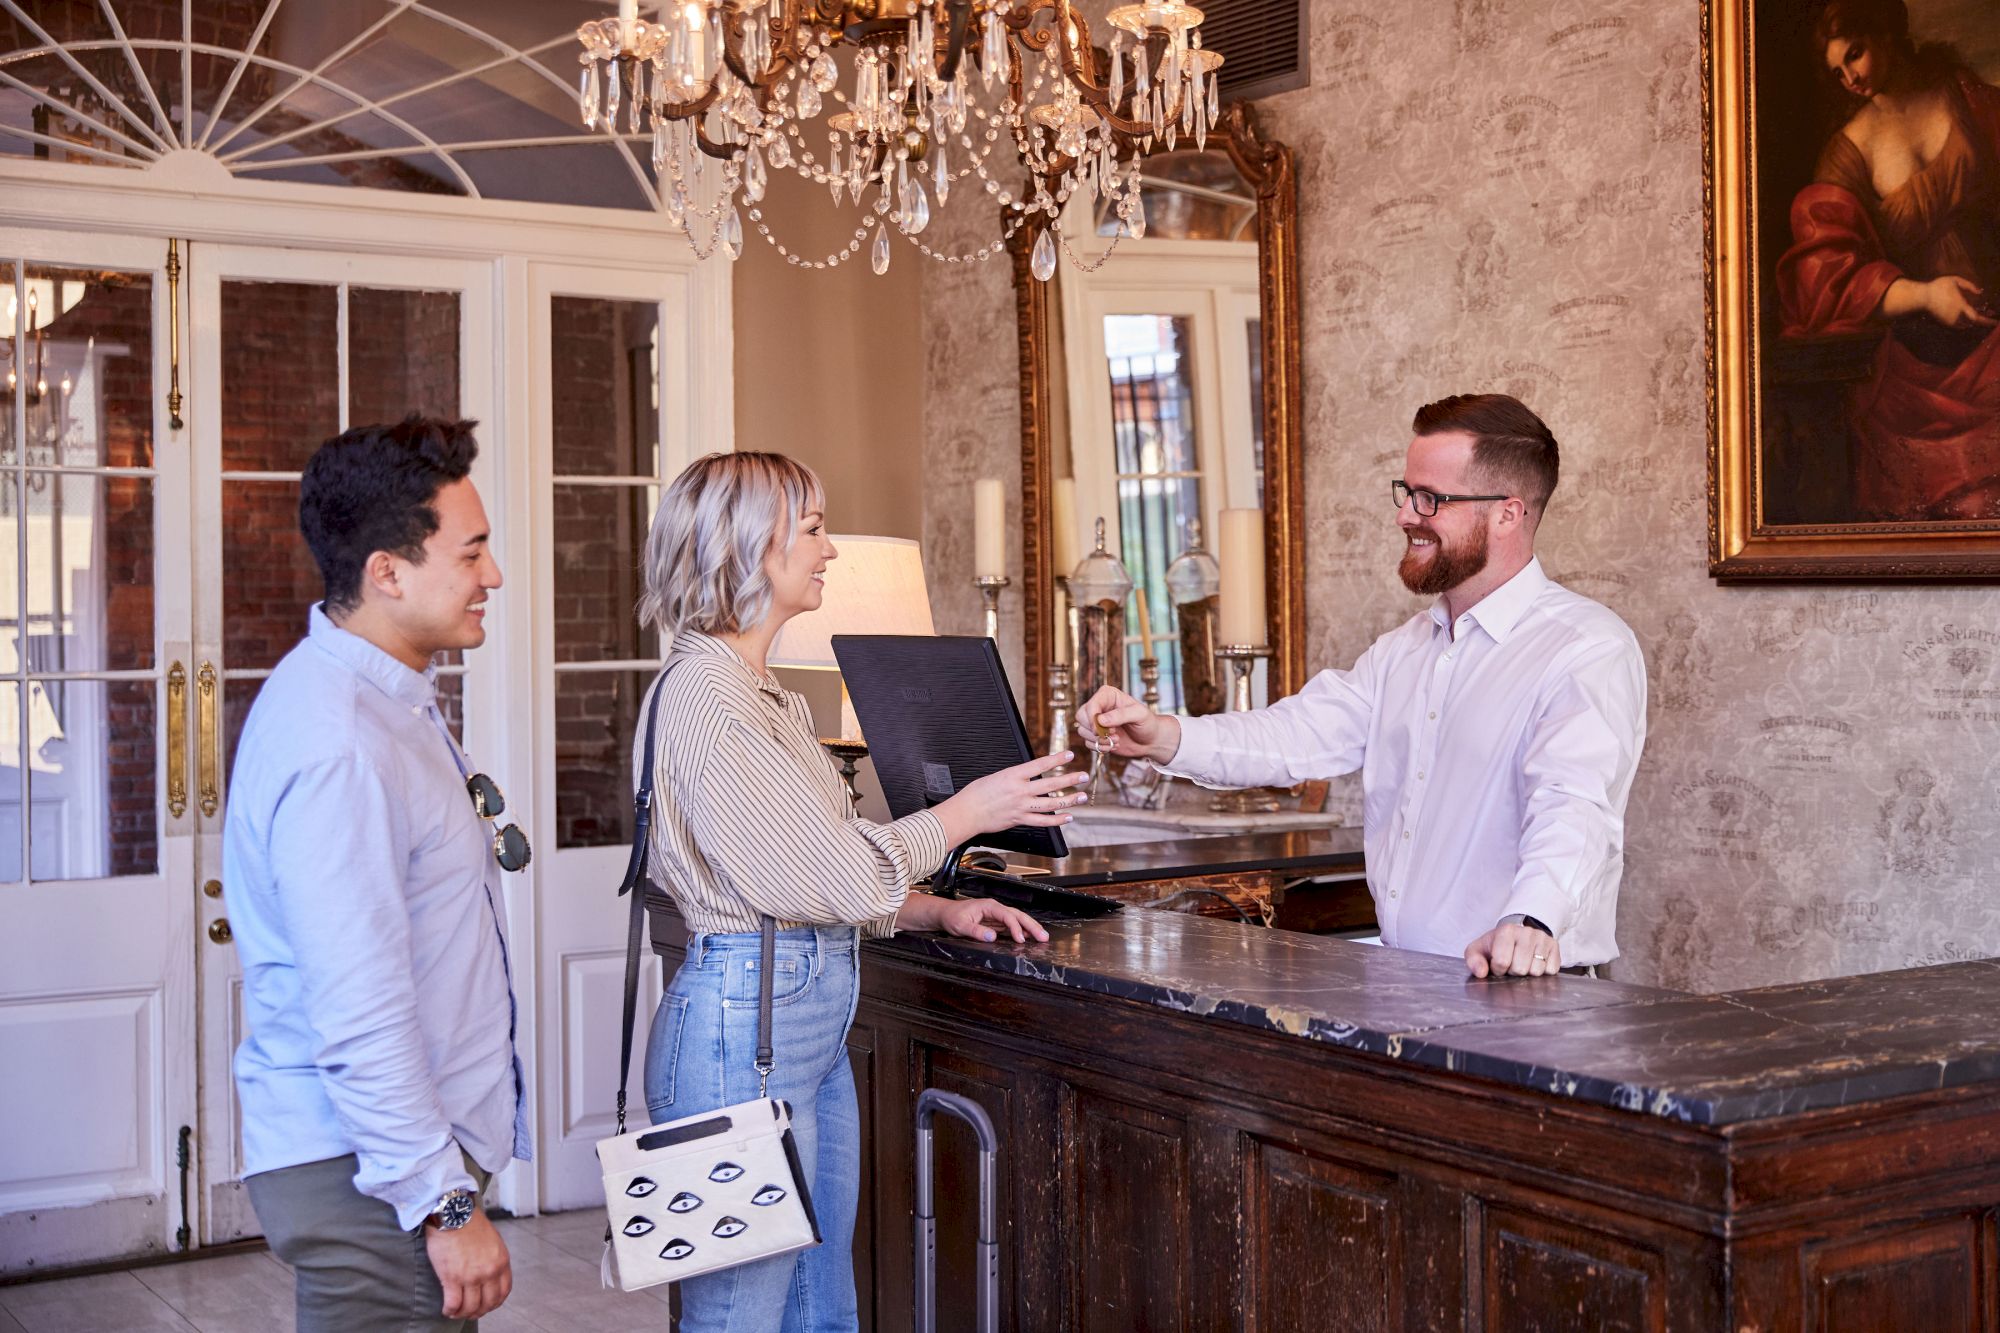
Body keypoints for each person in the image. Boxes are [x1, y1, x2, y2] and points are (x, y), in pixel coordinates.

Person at [634, 451, 1085, 1331]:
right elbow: (834, 873)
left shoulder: (761, 695)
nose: (828, 548)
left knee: (820, 1308)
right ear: (752, 548)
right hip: (736, 1040)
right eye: (811, 529)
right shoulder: (705, 700)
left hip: (799, 1033)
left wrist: (936, 906)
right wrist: (967, 812)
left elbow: (819, 867)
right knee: (737, 1316)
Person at [1078, 394, 1647, 978]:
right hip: (1405, 984)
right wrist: (1162, 736)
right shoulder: (1402, 651)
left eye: (1432, 499)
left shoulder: (1586, 648)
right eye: (1406, 492)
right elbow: (1294, 736)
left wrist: (1533, 920)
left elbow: (1575, 806)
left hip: (1529, 992)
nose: (1406, 515)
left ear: (1507, 513)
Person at [226, 416, 529, 1330]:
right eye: (471, 552)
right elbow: (358, 1004)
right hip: (374, 1184)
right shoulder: (341, 745)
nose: (494, 576)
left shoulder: (379, 700)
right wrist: (442, 1200)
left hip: (387, 1171)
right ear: (386, 572)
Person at [1775, 0, 2000, 519]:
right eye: (1837, 70)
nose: (1851, 76)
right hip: (1918, 367)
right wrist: (1925, 293)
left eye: (1855, 54)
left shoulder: (1964, 96)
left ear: (1885, 32)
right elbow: (1826, 272)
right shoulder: (1848, 151)